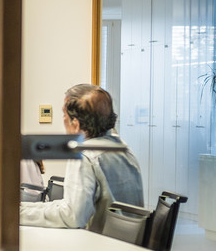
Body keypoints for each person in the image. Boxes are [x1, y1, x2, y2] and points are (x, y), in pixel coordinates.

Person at [19, 84, 144, 233]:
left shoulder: (84, 155)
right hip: (125, 248)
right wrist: (20, 209)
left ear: (76, 124)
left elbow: (72, 216)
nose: (63, 120)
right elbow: (70, 207)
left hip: (98, 250)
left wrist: (16, 214)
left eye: (64, 116)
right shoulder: (123, 149)